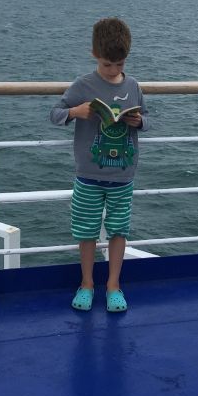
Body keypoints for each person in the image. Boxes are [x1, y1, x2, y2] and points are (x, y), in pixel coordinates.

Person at [50, 17, 150, 312]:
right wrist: (75, 112)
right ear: (94, 55)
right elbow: (55, 113)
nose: (114, 70)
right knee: (86, 231)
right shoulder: (83, 85)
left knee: (119, 230)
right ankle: (87, 284)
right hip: (88, 174)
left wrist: (139, 121)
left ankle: (114, 286)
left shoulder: (133, 86)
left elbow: (148, 117)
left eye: (120, 64)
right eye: (107, 64)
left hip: (123, 175)